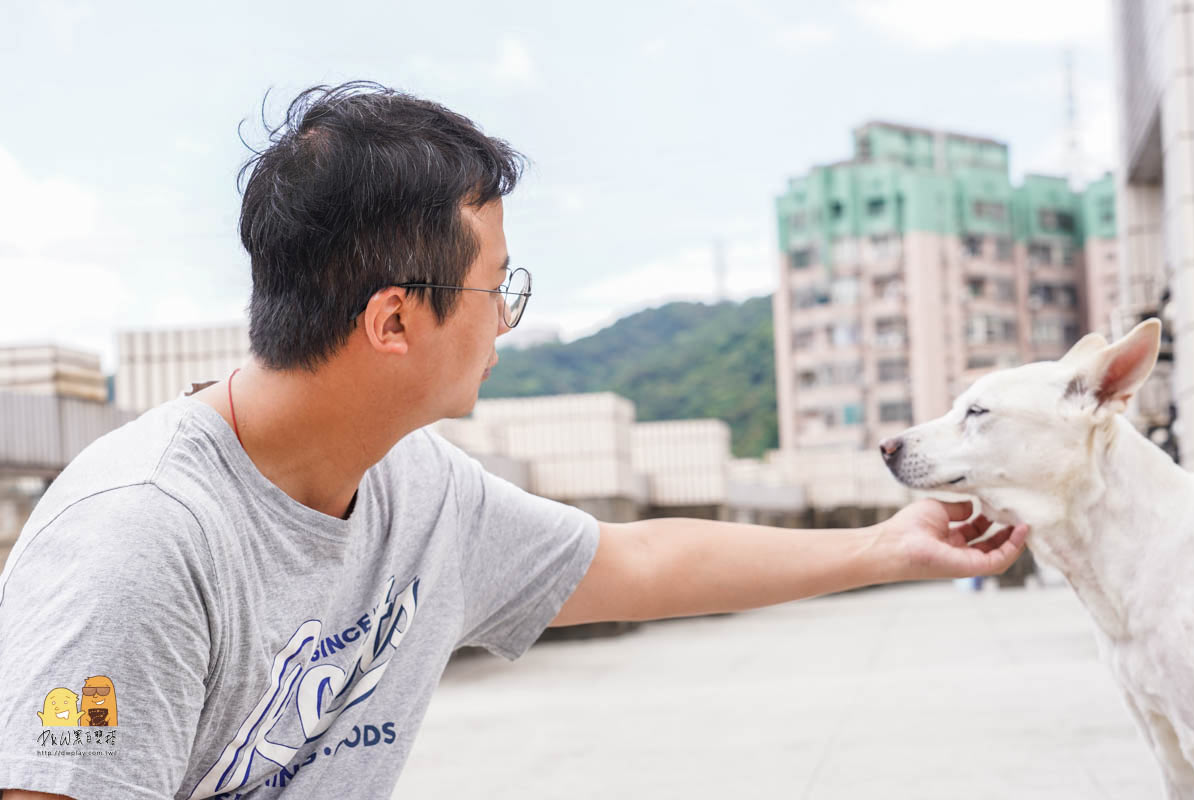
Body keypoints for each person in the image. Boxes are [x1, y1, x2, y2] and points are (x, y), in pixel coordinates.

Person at [0, 81, 1029, 800]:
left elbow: (629, 557)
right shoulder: (141, 544)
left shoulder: (416, 486)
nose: (506, 317)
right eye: (498, 287)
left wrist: (889, 547)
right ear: (393, 320)